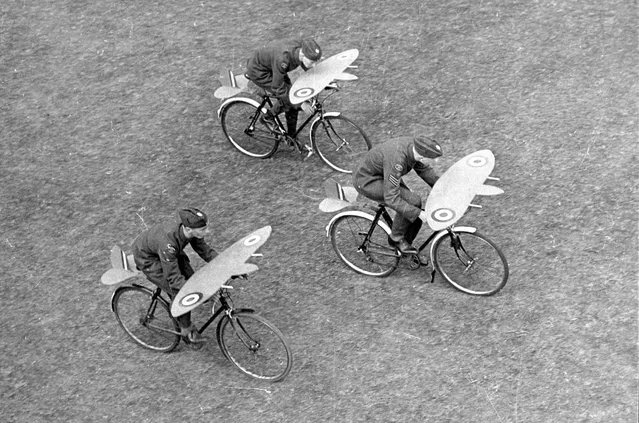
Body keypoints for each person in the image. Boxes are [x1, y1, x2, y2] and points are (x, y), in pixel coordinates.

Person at [132, 207, 218, 344]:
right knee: (180, 293)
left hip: (167, 254)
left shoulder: (191, 231)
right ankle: (187, 331)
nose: (206, 231)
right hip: (148, 258)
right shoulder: (168, 245)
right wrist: (199, 291)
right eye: (203, 230)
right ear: (188, 229)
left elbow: (205, 251)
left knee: (191, 279)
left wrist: (230, 265)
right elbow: (174, 278)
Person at [352, 135, 442, 255]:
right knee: (413, 203)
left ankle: (407, 247)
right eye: (431, 159)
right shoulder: (397, 161)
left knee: (415, 204)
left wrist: (442, 188)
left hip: (384, 173)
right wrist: (418, 213)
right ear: (421, 156)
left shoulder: (415, 148)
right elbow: (391, 198)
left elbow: (424, 170)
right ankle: (396, 239)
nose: (434, 162)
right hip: (367, 180)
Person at [245, 38, 322, 142]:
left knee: (291, 100)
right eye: (312, 62)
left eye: (317, 61)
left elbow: (308, 66)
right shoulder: (283, 60)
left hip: (273, 66)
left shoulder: (303, 48)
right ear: (303, 55)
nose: (315, 65)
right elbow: (278, 88)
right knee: (289, 98)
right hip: (259, 71)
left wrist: (324, 81)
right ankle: (268, 117)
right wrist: (301, 104)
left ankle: (291, 137)